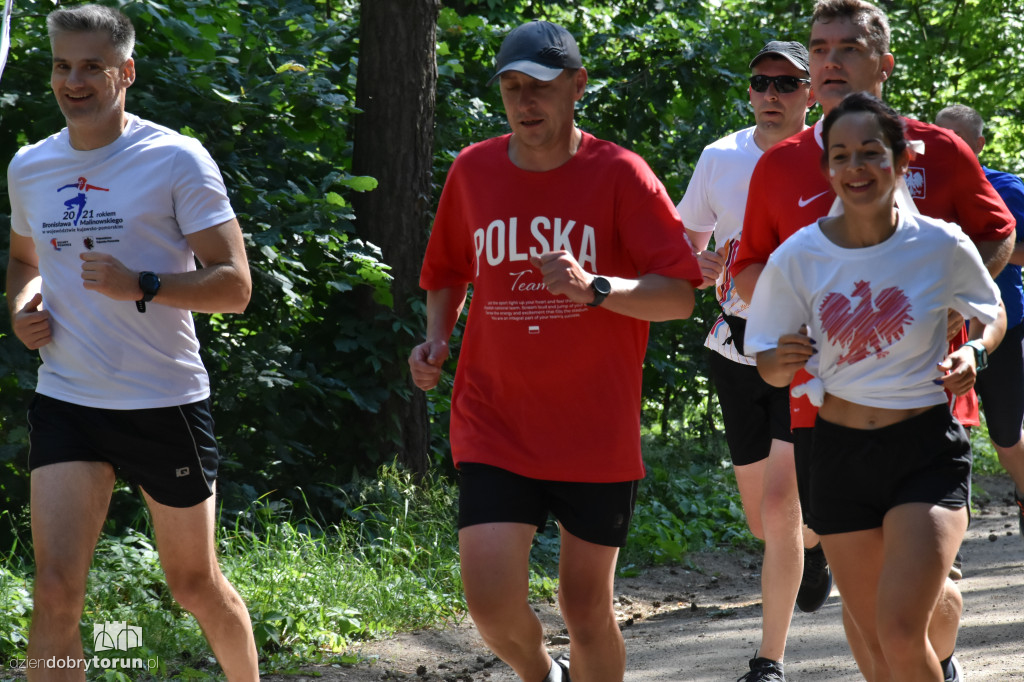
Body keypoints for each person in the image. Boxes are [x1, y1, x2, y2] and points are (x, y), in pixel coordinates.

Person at [407, 20, 701, 682]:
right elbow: (448, 269)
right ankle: (543, 675)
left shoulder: (621, 173)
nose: (524, 102)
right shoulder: (473, 170)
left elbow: (678, 295)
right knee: (488, 601)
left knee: (586, 606)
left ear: (577, 86)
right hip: (495, 419)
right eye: (512, 88)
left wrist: (595, 287)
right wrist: (437, 337)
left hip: (593, 428)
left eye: (539, 87)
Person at [729, 1, 1014, 677]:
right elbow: (749, 270)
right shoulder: (782, 169)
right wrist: (791, 319)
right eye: (819, 48)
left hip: (929, 402)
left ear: (882, 63)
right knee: (877, 625)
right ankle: (933, 648)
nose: (831, 61)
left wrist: (954, 321)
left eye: (848, 48)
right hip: (825, 414)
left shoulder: (936, 152)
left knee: (898, 616)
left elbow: (995, 235)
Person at [6, 5, 258, 681]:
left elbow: (235, 287)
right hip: (68, 398)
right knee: (56, 589)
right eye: (63, 65)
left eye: (92, 66)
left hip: (161, 399)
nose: (74, 80)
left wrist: (142, 282)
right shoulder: (31, 166)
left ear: (127, 72)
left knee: (193, 584)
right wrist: (22, 307)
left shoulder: (175, 158)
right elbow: (26, 264)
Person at [676, 40, 826, 682]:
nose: (772, 94)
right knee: (765, 522)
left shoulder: (833, 152)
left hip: (808, 346)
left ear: (809, 94)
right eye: (761, 82)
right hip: (736, 342)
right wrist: (699, 265)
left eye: (787, 84)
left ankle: (769, 659)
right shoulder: (721, 157)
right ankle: (815, 550)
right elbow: (687, 242)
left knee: (782, 502)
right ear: (749, 91)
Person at [935, 103, 1024, 538]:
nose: (945, 146)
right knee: (950, 428)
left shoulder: (1006, 188)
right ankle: (944, 534)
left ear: (978, 145)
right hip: (942, 332)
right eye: (940, 137)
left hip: (1002, 327)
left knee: (1007, 435)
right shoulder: (918, 188)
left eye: (955, 139)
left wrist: (984, 241)